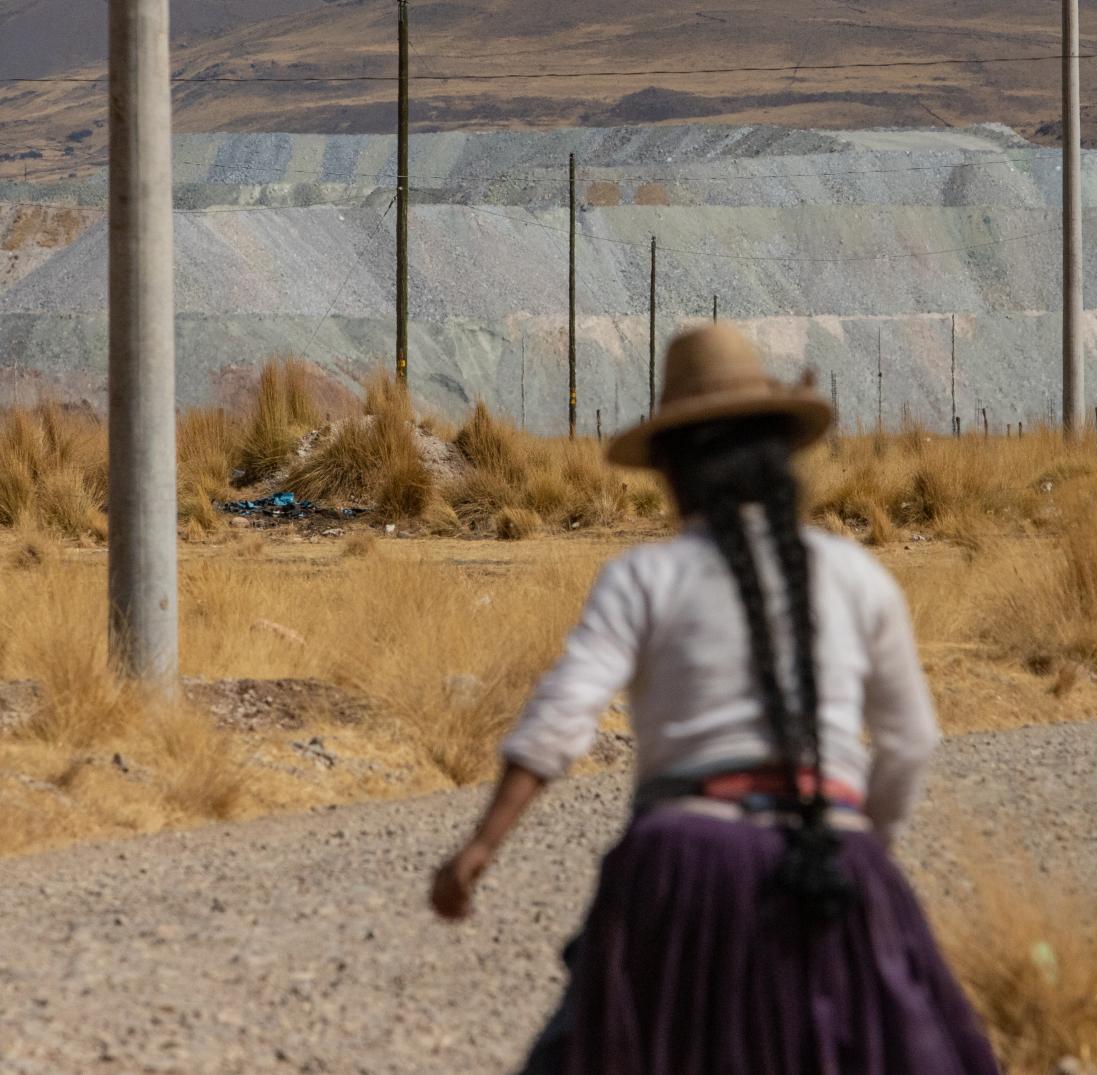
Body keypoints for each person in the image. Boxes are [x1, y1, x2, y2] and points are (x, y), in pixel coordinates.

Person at [430, 325, 1003, 1075]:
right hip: (833, 856)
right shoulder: (858, 575)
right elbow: (911, 741)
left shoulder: (645, 577)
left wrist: (480, 847)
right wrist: (863, 846)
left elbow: (560, 719)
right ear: (780, 457)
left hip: (682, 864)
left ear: (671, 469)